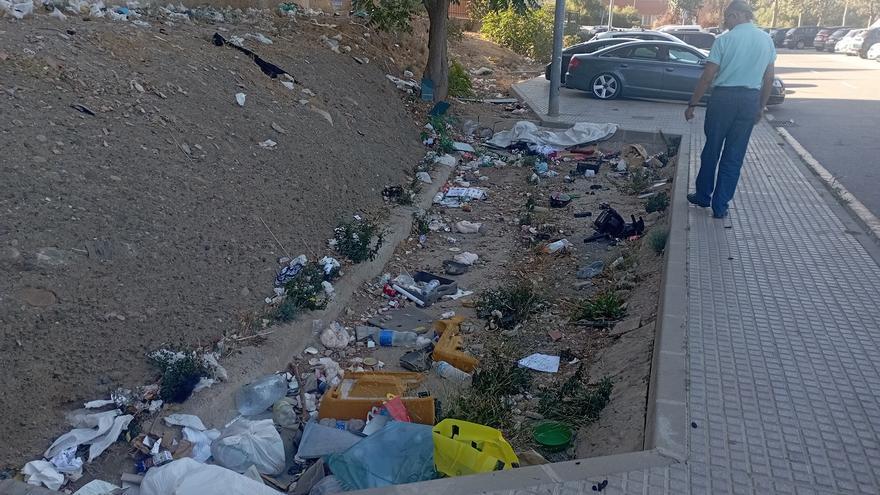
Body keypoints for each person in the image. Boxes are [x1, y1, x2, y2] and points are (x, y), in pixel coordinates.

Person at [684, 0, 776, 218]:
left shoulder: (724, 40)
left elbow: (707, 76)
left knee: (712, 149)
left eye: (727, 17)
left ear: (737, 15)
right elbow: (769, 78)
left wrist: (692, 104)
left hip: (723, 99)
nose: (726, 22)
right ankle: (720, 206)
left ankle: (703, 195)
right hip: (749, 100)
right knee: (734, 155)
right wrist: (761, 106)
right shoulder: (766, 40)